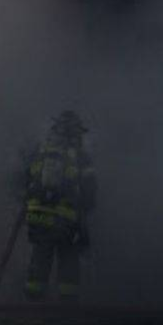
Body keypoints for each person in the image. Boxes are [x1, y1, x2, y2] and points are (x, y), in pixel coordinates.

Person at [22, 110, 96, 302]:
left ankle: (33, 299)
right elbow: (89, 188)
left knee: (40, 255)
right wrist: (85, 211)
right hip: (65, 218)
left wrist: (29, 202)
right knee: (68, 257)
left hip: (37, 214)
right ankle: (67, 303)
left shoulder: (40, 149)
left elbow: (23, 177)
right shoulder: (80, 156)